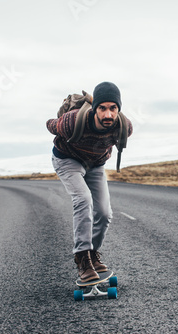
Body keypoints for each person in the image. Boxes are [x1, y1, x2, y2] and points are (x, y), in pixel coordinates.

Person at [46, 82, 133, 282]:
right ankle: (82, 258)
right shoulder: (72, 122)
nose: (108, 115)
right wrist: (57, 124)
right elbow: (50, 124)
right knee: (83, 199)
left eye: (113, 108)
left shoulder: (124, 127)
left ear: (119, 109)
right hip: (67, 159)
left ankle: (93, 253)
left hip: (95, 164)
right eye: (102, 108)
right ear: (95, 109)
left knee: (104, 213)